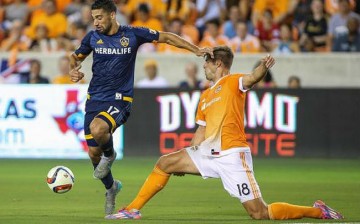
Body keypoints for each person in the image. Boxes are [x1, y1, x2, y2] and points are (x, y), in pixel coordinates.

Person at [106, 46, 343, 221]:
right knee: (166, 162)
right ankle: (132, 209)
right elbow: (201, 129)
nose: (204, 67)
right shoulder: (206, 95)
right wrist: (186, 156)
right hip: (207, 153)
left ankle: (318, 211)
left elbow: (252, 78)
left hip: (232, 154)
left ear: (218, 64)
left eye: (207, 63)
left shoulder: (233, 82)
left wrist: (263, 66)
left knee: (258, 212)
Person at [68, 0, 213, 216]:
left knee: (99, 130)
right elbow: (75, 57)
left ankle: (110, 155)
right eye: (93, 18)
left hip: (120, 98)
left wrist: (196, 49)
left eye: (99, 17)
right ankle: (111, 188)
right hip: (94, 98)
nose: (95, 22)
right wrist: (73, 70)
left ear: (112, 15)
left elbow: (166, 37)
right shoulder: (92, 38)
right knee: (93, 153)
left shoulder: (133, 34)